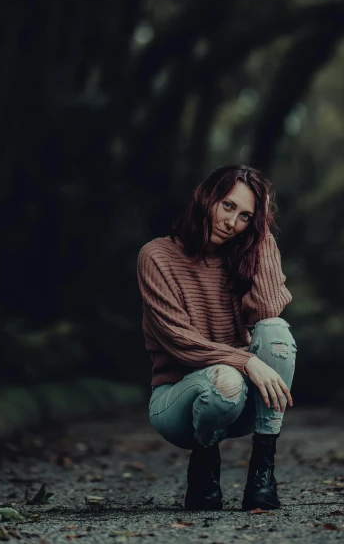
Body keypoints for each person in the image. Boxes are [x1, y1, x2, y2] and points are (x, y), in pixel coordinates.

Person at [136, 164, 296, 511]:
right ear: (206, 197)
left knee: (276, 331)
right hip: (179, 399)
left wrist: (261, 233)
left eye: (245, 217)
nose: (231, 222)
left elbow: (268, 310)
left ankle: (262, 471)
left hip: (239, 403)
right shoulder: (157, 255)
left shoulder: (242, 253)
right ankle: (204, 464)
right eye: (227, 206)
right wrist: (246, 360)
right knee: (224, 382)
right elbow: (177, 339)